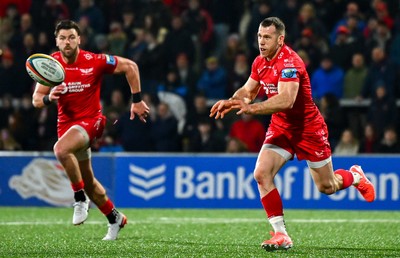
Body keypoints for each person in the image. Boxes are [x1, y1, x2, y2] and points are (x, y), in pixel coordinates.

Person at [209, 17, 376, 252]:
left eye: (267, 37)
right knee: (261, 173)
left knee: (327, 187)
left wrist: (253, 108)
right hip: (281, 127)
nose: (261, 41)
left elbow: (287, 100)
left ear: (280, 39)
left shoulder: (290, 63)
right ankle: (281, 234)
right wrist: (233, 101)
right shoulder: (260, 62)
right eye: (259, 36)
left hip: (308, 128)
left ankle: (355, 176)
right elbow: (248, 90)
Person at [32, 20, 150, 240]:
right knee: (89, 183)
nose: (67, 42)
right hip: (67, 128)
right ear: (56, 42)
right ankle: (114, 217)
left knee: (60, 150)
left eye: (71, 37)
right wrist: (50, 97)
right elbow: (36, 99)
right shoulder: (51, 66)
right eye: (62, 38)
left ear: (79, 39)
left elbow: (131, 66)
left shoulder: (94, 60)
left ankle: (79, 199)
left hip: (92, 121)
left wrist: (136, 100)